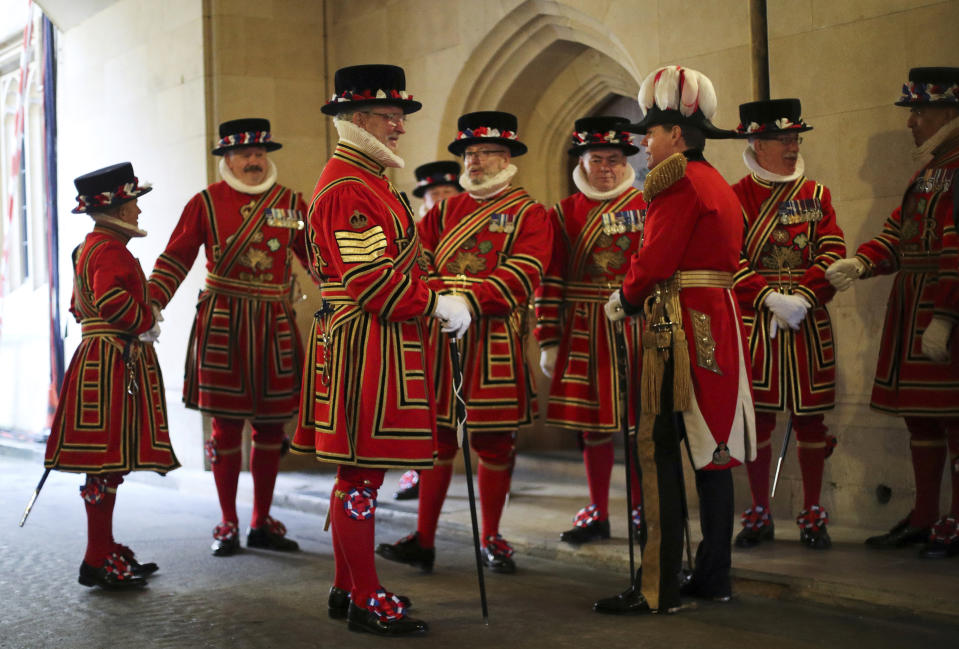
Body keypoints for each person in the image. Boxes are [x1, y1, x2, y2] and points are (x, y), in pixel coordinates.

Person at [291, 64, 471, 636]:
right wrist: (435, 305)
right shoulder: (349, 186)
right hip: (366, 341)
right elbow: (371, 280)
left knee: (357, 474)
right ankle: (366, 597)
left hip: (376, 339)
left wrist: (439, 290)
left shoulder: (367, 179)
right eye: (389, 116)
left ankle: (348, 587)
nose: (399, 127)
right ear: (358, 119)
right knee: (362, 476)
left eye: (400, 116)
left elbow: (402, 263)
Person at [599, 65, 755, 614]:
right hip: (716, 317)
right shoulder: (717, 182)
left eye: (653, 131)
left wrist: (626, 296)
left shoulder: (677, 180)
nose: (646, 139)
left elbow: (656, 259)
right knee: (713, 455)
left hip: (679, 323)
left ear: (679, 136)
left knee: (658, 446)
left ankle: (658, 586)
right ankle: (714, 575)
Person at [377, 110, 551, 575]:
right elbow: (417, 258)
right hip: (440, 338)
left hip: (493, 337)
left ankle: (492, 537)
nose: (473, 162)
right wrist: (435, 297)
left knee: (495, 443)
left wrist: (472, 301)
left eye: (485, 153)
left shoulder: (530, 212)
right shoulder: (446, 210)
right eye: (469, 154)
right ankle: (425, 538)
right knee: (437, 442)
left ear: (507, 157)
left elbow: (526, 271)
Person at [148, 118, 308, 556]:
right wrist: (150, 303)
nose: (254, 161)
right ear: (227, 159)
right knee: (224, 429)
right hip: (223, 323)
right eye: (244, 155)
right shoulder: (204, 203)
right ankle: (227, 522)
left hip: (276, 323)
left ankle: (261, 520)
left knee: (272, 427)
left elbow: (317, 259)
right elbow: (175, 257)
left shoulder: (291, 202)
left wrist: (352, 296)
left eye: (260, 153)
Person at [826, 66, 959, 559]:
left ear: (949, 110)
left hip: (943, 306)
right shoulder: (931, 167)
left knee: (955, 421)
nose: (912, 122)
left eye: (920, 111)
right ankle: (926, 518)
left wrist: (946, 316)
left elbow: (956, 245)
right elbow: (901, 232)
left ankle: (954, 522)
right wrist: (862, 263)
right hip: (915, 304)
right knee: (922, 420)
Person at [45, 162, 179, 589]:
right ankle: (97, 557)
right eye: (133, 202)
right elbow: (113, 305)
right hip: (111, 364)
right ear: (117, 208)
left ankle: (101, 547)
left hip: (101, 358)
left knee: (105, 466)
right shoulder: (110, 250)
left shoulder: (91, 246)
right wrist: (146, 318)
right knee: (105, 464)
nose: (138, 210)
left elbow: (76, 306)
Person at [730, 99, 846, 550]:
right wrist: (768, 297)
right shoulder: (735, 196)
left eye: (795, 139)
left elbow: (832, 248)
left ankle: (812, 511)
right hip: (759, 324)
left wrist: (805, 295)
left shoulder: (817, 195)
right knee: (758, 421)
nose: (792, 147)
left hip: (807, 321)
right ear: (757, 144)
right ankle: (759, 510)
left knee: (810, 420)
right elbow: (728, 258)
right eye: (783, 140)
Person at [534, 115, 646, 545]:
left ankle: (641, 510)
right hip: (583, 328)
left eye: (614, 159)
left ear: (626, 162)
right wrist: (548, 337)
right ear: (581, 162)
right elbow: (551, 276)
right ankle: (598, 510)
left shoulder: (646, 206)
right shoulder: (561, 213)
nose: (605, 167)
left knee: (640, 425)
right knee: (593, 427)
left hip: (636, 326)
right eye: (596, 158)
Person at [393, 160, 464, 502]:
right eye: (434, 194)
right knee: (419, 407)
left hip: (463, 330)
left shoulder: (467, 231)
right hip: (421, 329)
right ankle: (417, 469)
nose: (440, 200)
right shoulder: (414, 232)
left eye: (447, 193)